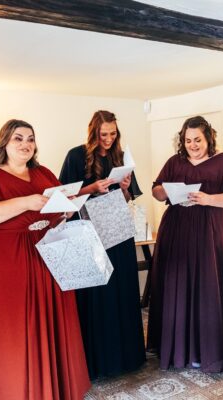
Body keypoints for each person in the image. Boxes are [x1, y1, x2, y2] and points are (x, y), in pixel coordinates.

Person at [0, 119, 90, 400]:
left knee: (47, 324)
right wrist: (26, 202)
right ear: (3, 142)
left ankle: (48, 388)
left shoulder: (42, 172)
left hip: (44, 254)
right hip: (0, 261)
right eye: (18, 138)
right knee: (10, 329)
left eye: (30, 139)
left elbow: (55, 207)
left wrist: (64, 211)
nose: (25, 144)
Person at [147, 115, 223, 372]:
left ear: (208, 138)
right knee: (179, 284)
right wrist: (166, 191)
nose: (193, 145)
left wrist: (208, 199)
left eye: (197, 139)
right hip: (178, 232)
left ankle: (213, 351)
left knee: (210, 285)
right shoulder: (174, 162)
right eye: (188, 140)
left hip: (214, 232)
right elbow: (156, 190)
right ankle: (181, 349)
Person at [58, 110, 146, 380]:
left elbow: (130, 196)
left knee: (122, 290)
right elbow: (62, 195)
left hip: (118, 229)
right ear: (93, 132)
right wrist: (91, 188)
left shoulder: (121, 157)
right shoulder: (76, 155)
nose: (108, 139)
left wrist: (125, 187)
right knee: (97, 293)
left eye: (113, 133)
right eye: (103, 134)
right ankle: (96, 362)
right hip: (88, 231)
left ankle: (127, 358)